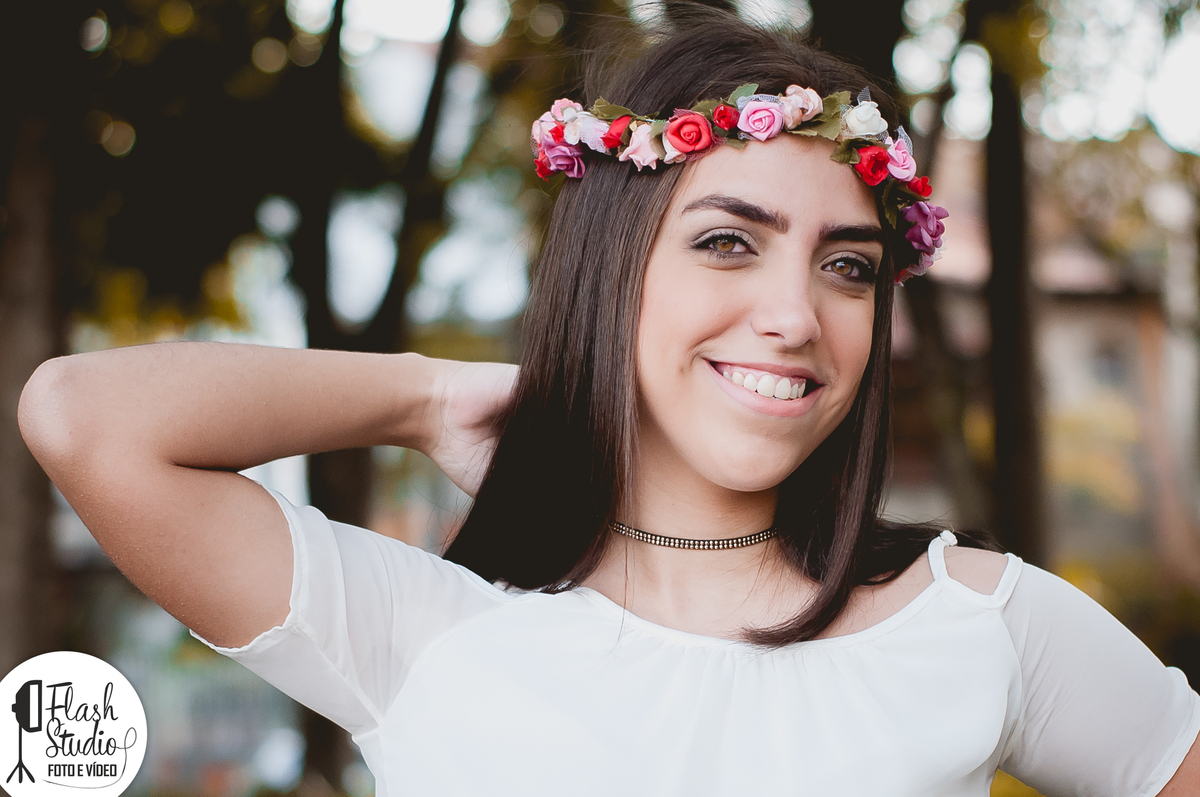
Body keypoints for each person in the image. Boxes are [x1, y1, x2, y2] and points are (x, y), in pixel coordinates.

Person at [16, 7, 1200, 795]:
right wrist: (428, 398)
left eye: (847, 265)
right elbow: (83, 414)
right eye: (730, 242)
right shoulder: (428, 635)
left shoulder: (983, 621)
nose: (798, 313)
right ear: (611, 272)